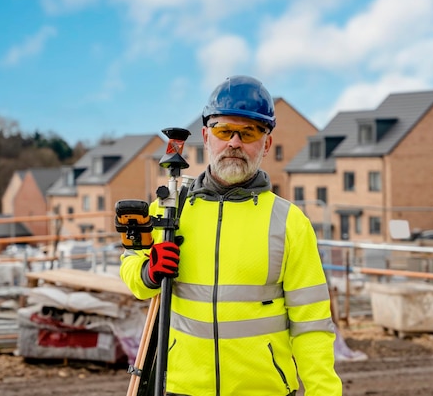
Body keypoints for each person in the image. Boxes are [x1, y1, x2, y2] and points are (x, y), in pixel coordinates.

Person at [120, 75, 343, 395]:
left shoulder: (289, 223)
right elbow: (132, 271)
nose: (235, 143)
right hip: (182, 388)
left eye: (249, 132)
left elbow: (312, 327)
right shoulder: (171, 210)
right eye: (225, 131)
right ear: (206, 136)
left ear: (266, 143)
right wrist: (149, 272)